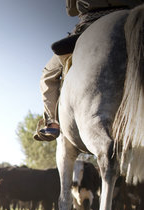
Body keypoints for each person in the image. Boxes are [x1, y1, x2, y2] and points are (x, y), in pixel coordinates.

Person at [34, 0, 143, 142]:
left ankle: (52, 123)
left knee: (48, 74)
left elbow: (71, 11)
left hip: (90, 23)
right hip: (136, 19)